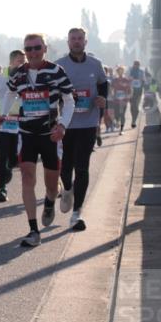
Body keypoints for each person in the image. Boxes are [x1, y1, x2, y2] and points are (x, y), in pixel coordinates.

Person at [6, 33, 75, 247]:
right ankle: (33, 230)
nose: (33, 52)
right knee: (27, 178)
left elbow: (69, 100)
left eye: (37, 48)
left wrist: (63, 126)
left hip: (50, 135)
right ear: (24, 52)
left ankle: (49, 201)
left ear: (45, 48)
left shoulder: (56, 71)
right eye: (28, 49)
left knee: (51, 185)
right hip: (26, 134)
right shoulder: (18, 74)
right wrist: (3, 114)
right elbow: (9, 95)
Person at [55, 28, 109, 231]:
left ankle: (77, 214)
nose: (76, 42)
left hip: (88, 122)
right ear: (68, 42)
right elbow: (53, 91)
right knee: (66, 166)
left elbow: (103, 84)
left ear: (85, 42)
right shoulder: (60, 65)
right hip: (67, 123)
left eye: (80, 39)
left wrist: (103, 99)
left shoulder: (95, 64)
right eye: (73, 39)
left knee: (83, 166)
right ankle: (67, 188)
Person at [0, 50, 25, 201]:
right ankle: (2, 189)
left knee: (14, 157)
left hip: (21, 122)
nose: (23, 64)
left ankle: (10, 165)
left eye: (24, 61)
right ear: (12, 61)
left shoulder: (28, 77)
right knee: (2, 155)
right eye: (19, 61)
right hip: (2, 122)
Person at [111, 65, 131, 133]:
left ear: (123, 72)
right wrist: (112, 95)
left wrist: (128, 96)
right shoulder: (114, 80)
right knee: (116, 114)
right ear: (117, 72)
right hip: (116, 99)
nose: (120, 72)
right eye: (119, 71)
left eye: (121, 71)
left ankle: (121, 129)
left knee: (122, 114)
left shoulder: (126, 80)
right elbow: (111, 89)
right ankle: (117, 121)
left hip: (124, 100)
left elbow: (129, 89)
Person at [128, 60, 145, 127]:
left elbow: (144, 81)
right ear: (133, 64)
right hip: (131, 91)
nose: (136, 66)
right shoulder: (130, 71)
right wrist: (130, 79)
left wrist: (141, 81)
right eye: (135, 64)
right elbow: (126, 79)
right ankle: (133, 118)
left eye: (138, 65)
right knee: (132, 106)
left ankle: (134, 121)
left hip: (139, 91)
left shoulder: (141, 72)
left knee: (136, 106)